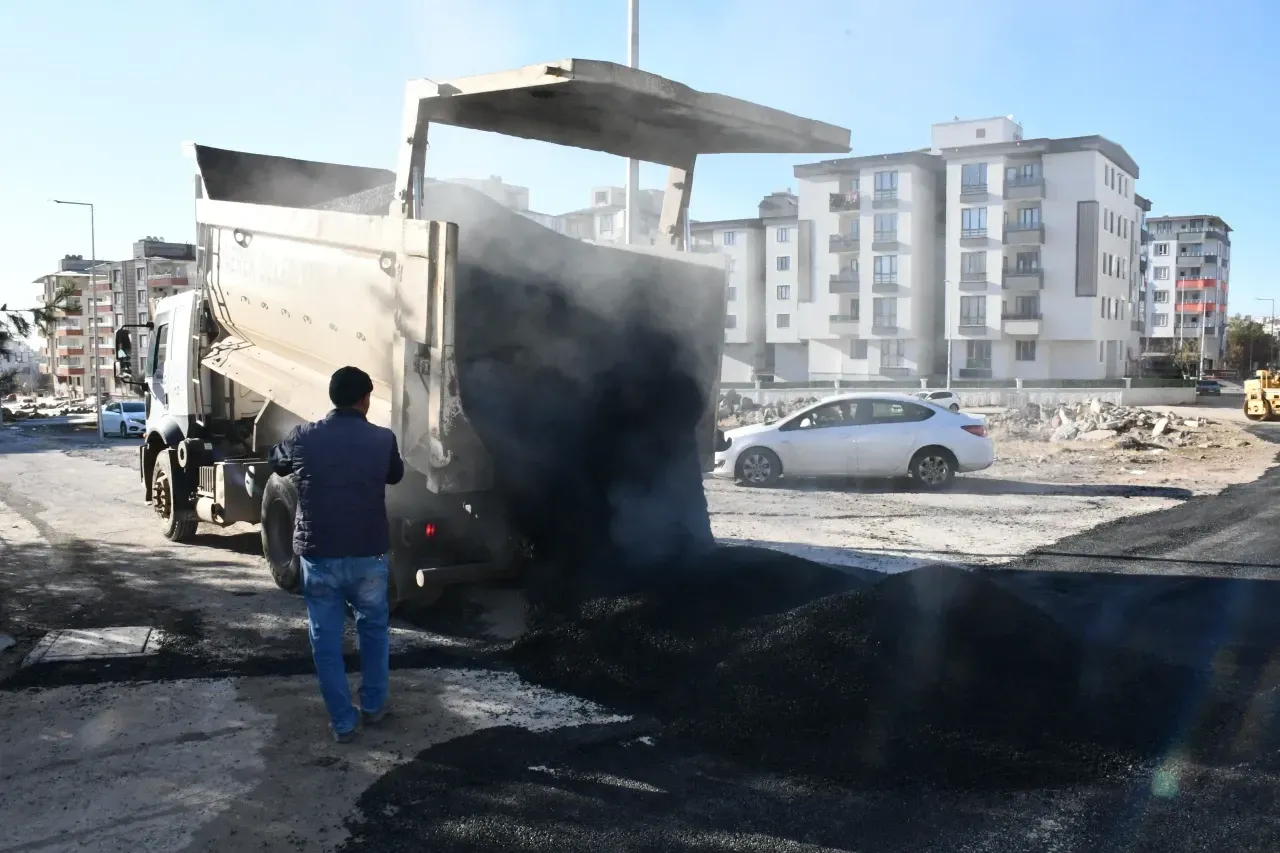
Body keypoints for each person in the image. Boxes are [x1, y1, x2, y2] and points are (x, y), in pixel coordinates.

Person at [268, 366, 405, 743]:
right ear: (365, 400)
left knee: (326, 643)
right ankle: (374, 707)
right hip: (367, 555)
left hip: (321, 556)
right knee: (374, 632)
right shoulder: (382, 438)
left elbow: (275, 461)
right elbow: (396, 474)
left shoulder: (304, 436)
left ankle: (344, 723)